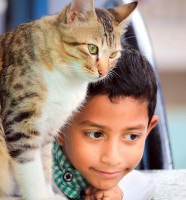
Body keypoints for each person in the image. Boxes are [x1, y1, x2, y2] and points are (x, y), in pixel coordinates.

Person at [53, 46, 159, 200]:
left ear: (147, 131)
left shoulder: (139, 189)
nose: (112, 158)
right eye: (95, 134)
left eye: (132, 136)